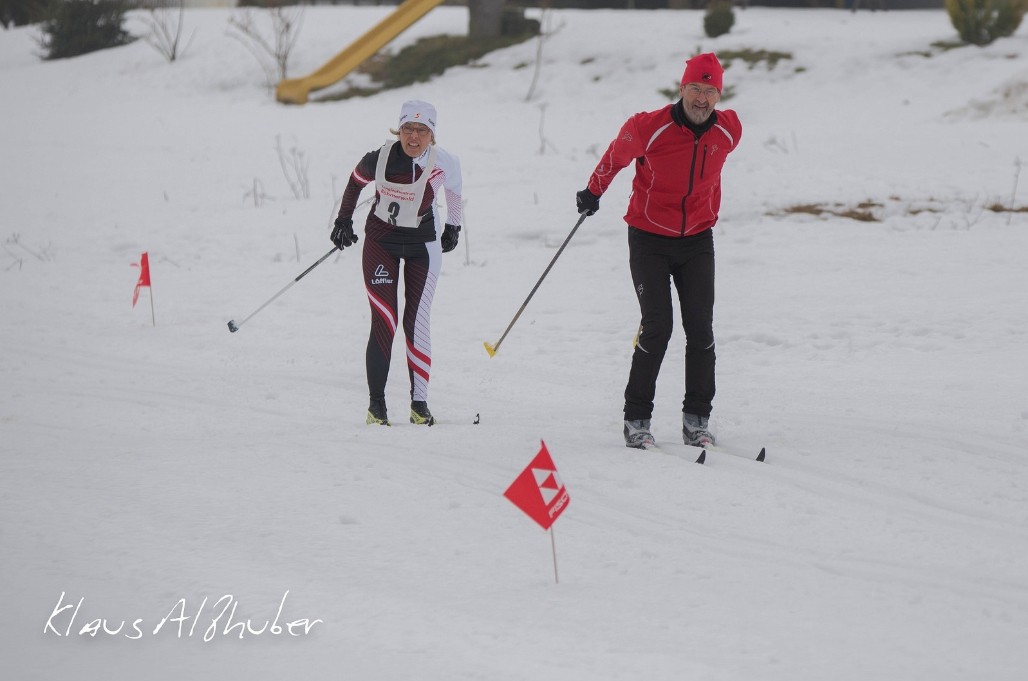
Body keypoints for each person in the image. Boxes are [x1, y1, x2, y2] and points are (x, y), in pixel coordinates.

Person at [575, 52, 742, 450]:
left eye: (710, 90)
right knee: (658, 326)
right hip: (649, 237)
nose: (701, 98)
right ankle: (637, 420)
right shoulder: (648, 127)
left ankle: (696, 420)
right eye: (695, 88)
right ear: (681, 88)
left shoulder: (729, 131)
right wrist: (592, 191)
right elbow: (616, 157)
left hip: (698, 238)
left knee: (701, 329)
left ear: (719, 94)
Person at [331, 100, 463, 427]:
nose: (414, 137)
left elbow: (455, 192)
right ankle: (377, 407)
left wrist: (453, 226)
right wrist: (343, 221)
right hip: (381, 244)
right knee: (385, 320)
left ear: (432, 134)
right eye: (408, 129)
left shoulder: (444, 161)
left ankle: (420, 405)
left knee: (416, 320)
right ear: (398, 130)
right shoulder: (380, 158)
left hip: (423, 246)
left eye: (422, 130)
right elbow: (355, 181)